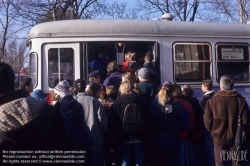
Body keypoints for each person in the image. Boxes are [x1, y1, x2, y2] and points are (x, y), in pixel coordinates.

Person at [204, 75, 250, 166]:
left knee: (220, 162)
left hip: (218, 138)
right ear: (232, 85)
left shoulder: (212, 101)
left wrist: (213, 130)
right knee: (236, 162)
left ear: (221, 86)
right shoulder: (241, 100)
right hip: (236, 138)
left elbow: (207, 122)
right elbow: (246, 121)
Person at [113, 81, 150, 166]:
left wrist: (114, 135)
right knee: (140, 161)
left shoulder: (118, 102)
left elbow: (114, 121)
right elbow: (147, 118)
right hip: (140, 134)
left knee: (125, 160)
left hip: (124, 135)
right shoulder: (141, 100)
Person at [150, 81, 184, 166]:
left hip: (158, 137)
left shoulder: (155, 103)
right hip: (172, 136)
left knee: (160, 160)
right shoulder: (176, 103)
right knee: (172, 160)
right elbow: (181, 120)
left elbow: (150, 119)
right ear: (172, 91)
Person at [74, 79, 108, 151]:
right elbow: (102, 120)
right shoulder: (94, 101)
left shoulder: (73, 102)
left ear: (75, 89)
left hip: (78, 139)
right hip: (95, 137)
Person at [172, 84, 195, 166]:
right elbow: (192, 117)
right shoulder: (187, 104)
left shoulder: (171, 103)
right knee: (182, 152)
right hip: (184, 131)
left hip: (173, 132)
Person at [200, 80, 215, 166]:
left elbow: (203, 112)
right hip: (216, 123)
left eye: (202, 86)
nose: (201, 87)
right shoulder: (215, 95)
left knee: (208, 144)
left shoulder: (206, 98)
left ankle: (211, 162)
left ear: (206, 87)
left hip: (208, 124)